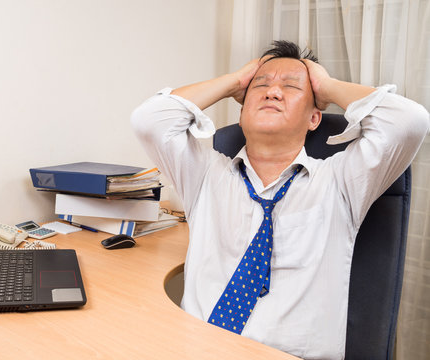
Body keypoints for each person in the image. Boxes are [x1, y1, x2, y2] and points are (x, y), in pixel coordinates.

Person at [130, 40, 429, 359]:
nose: (272, 92)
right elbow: (150, 119)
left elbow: (408, 121)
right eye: (261, 85)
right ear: (242, 113)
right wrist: (236, 80)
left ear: (315, 118)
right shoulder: (205, 175)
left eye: (290, 87)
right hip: (199, 348)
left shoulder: (341, 181)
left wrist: (325, 86)